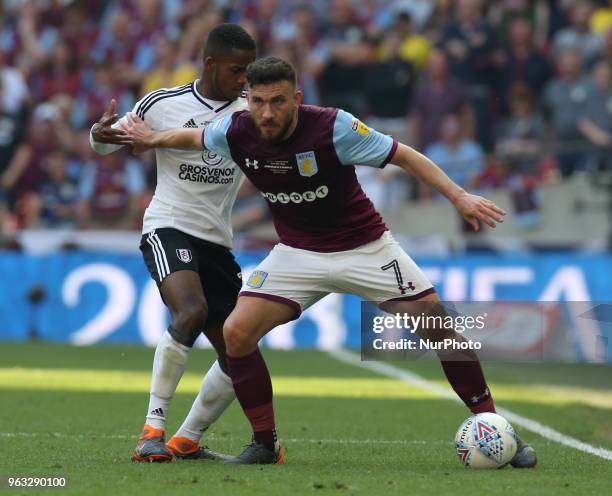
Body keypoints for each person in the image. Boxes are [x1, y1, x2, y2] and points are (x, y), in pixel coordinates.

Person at [120, 56, 537, 468]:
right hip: (298, 254)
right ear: (247, 99)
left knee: (439, 328)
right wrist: (150, 139)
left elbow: (404, 155)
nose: (267, 112)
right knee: (236, 331)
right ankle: (265, 444)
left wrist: (459, 196)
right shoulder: (234, 129)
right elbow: (192, 139)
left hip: (366, 249)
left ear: (296, 98)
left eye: (278, 101)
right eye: (259, 101)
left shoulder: (334, 126)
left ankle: (496, 428)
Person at [89, 23, 256, 462]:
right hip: (169, 226)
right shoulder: (164, 102)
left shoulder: (252, 112)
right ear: (211, 64)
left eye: (248, 71)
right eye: (237, 70)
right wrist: (97, 134)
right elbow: (110, 141)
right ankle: (151, 432)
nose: (243, 79)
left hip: (218, 242)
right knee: (191, 310)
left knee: (240, 351)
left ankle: (186, 439)